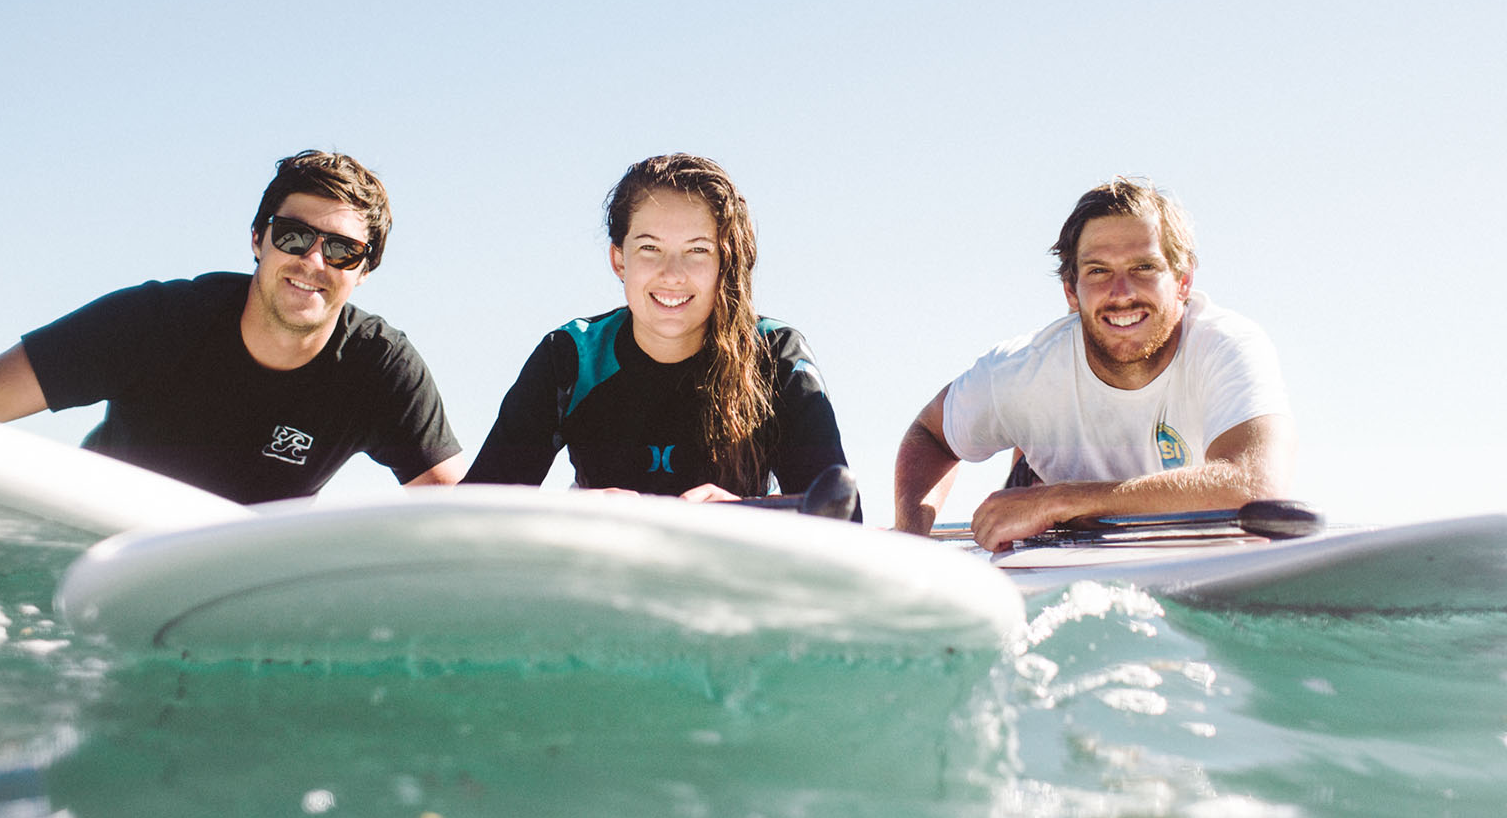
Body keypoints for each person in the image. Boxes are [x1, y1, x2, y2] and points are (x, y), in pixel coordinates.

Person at [0, 150, 466, 504]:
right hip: (97, 545)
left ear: (364, 271)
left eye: (343, 250)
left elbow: (456, 512)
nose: (314, 263)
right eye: (295, 236)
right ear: (258, 239)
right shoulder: (157, 321)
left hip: (226, 583)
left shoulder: (380, 368)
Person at [893, 177, 1294, 550]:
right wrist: (911, 542)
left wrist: (1058, 501)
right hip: (1063, 564)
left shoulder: (1226, 346)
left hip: (1195, 563)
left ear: (1183, 280)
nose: (1121, 293)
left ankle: (1035, 475)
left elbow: (1256, 485)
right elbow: (930, 435)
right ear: (1071, 291)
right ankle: (1029, 464)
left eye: (1143, 267)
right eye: (1098, 271)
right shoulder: (1022, 371)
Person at [463, 152, 858, 518]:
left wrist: (743, 513)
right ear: (619, 259)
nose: (672, 273)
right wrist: (573, 513)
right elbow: (473, 512)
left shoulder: (775, 354)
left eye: (698, 250)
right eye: (650, 248)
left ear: (725, 261)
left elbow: (838, 510)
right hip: (598, 577)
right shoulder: (571, 355)